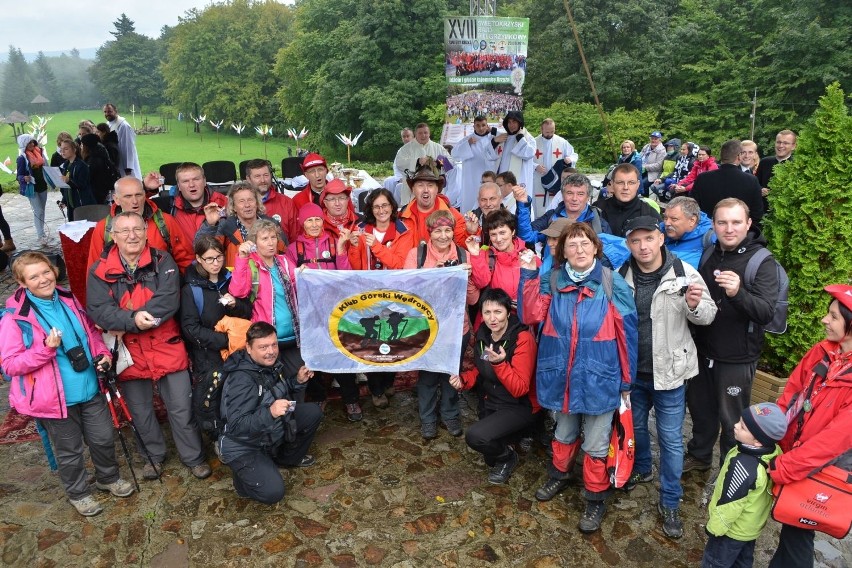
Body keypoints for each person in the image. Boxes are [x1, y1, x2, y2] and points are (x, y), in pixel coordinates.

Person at [518, 222, 637, 533]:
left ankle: (595, 497)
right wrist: (528, 275)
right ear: (563, 251)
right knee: (564, 431)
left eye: (585, 243)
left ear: (595, 247)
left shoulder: (612, 283)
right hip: (563, 376)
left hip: (600, 376)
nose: (579, 250)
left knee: (597, 443)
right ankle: (559, 475)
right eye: (572, 245)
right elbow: (529, 316)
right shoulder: (553, 280)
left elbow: (628, 335)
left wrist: (627, 380)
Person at [0, 252, 134, 517]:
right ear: (22, 282)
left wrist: (104, 355)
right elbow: (10, 365)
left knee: (103, 438)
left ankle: (108, 478)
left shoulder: (67, 298)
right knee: (69, 451)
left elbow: (90, 334)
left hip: (89, 386)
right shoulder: (15, 317)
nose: (43, 279)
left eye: (46, 272)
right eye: (34, 276)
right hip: (54, 399)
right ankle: (79, 493)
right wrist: (45, 350)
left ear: (54, 271)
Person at [87, 212, 211, 481]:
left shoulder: (162, 260)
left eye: (137, 229)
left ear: (146, 231)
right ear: (114, 236)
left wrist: (127, 318)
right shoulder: (99, 269)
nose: (132, 235)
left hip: (167, 345)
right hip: (128, 352)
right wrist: (134, 319)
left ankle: (194, 457)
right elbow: (98, 310)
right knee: (140, 411)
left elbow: (168, 302)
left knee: (181, 407)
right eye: (125, 231)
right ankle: (152, 456)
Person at [619, 216, 717, 539]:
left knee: (672, 440)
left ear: (660, 239)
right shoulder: (621, 275)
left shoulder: (683, 274)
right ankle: (643, 468)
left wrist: (694, 306)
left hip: (671, 374)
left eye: (648, 238)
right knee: (636, 430)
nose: (643, 246)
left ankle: (670, 500)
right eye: (635, 241)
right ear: (629, 245)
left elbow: (707, 315)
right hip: (634, 373)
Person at [685, 198, 780, 472]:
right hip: (702, 351)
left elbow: (765, 313)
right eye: (722, 222)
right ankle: (700, 456)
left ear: (748, 223)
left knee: (732, 421)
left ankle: (730, 468)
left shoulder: (761, 261)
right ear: (713, 225)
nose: (729, 229)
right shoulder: (708, 253)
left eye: (736, 222)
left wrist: (738, 293)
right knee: (701, 412)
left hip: (737, 357)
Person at [767, 284, 852, 568]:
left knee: (797, 532)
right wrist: (770, 429)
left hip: (821, 468)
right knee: (792, 528)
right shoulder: (823, 351)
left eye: (834, 317)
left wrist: (786, 467)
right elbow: (792, 393)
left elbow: (833, 441)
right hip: (796, 454)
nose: (825, 320)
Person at [218, 322, 323, 505]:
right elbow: (236, 426)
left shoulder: (270, 364)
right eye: (263, 347)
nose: (271, 351)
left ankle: (286, 459)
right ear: (249, 348)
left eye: (274, 345)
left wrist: (297, 381)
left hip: (266, 432)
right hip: (244, 445)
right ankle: (242, 479)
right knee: (273, 492)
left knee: (313, 412)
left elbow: (274, 391)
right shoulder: (241, 379)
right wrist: (270, 413)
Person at [449, 288, 540, 485]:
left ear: (508, 312)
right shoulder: (484, 335)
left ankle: (509, 456)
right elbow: (480, 370)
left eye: (498, 312)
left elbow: (520, 388)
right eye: (487, 312)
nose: (493, 318)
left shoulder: (522, 338)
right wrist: (463, 380)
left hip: (518, 406)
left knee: (475, 437)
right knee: (489, 458)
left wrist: (499, 364)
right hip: (491, 402)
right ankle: (509, 443)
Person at [404, 210, 480, 439]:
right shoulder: (417, 255)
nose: (444, 236)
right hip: (426, 329)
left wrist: (466, 278)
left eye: (448, 230)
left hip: (457, 328)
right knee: (427, 377)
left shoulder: (464, 255)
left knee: (450, 373)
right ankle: (427, 419)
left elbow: (474, 299)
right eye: (438, 231)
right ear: (429, 232)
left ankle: (450, 414)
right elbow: (406, 292)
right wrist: (434, 274)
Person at [702, 403, 786, 568]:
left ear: (757, 442)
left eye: (742, 427)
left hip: (731, 531)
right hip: (750, 529)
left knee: (714, 562)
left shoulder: (742, 466)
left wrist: (714, 528)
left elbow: (731, 503)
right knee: (742, 562)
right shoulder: (773, 452)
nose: (735, 426)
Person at [347, 189, 409, 407]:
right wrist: (355, 247)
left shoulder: (404, 231)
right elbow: (355, 266)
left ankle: (389, 379)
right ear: (370, 210)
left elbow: (399, 263)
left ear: (392, 207)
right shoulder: (361, 229)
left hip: (395, 296)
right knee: (372, 341)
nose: (381, 210)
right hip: (368, 297)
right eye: (376, 207)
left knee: (393, 338)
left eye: (385, 205)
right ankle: (376, 389)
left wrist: (376, 246)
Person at [180, 235, 252, 381]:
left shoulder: (231, 279)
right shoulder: (191, 289)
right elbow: (191, 329)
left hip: (239, 353)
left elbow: (249, 311)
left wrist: (236, 305)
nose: (216, 263)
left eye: (219, 257)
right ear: (199, 259)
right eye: (209, 259)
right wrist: (226, 340)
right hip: (208, 359)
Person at [87, 177, 194, 273]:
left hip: (163, 290)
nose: (135, 201)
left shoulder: (166, 221)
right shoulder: (104, 228)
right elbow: (94, 270)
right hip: (120, 292)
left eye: (138, 195)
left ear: (145, 195)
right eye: (128, 196)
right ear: (116, 199)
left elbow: (185, 261)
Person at [198, 181, 285, 268]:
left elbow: (284, 254)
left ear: (257, 203)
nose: (247, 205)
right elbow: (203, 250)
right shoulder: (225, 226)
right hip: (237, 278)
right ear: (234, 207)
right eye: (241, 201)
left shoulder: (272, 224)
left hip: (269, 278)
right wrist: (210, 225)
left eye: (250, 200)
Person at [468, 208, 538, 306]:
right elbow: (481, 283)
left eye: (502, 232)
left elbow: (542, 287)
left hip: (524, 317)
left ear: (512, 231)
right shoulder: (486, 255)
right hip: (495, 317)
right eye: (493, 234)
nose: (498, 239)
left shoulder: (528, 255)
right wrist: (475, 254)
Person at [397, 158, 469, 249]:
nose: (425, 190)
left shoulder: (453, 215)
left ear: (437, 190)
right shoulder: (402, 217)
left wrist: (470, 232)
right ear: (413, 189)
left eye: (430, 185)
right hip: (411, 262)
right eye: (420, 185)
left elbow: (464, 246)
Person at [691, 140, 764, 225]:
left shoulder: (703, 178)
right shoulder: (751, 180)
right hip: (738, 232)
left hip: (708, 230)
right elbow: (757, 214)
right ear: (739, 156)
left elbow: (693, 207)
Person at [161, 162, 228, 242]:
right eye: (185, 181)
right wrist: (146, 187)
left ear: (204, 181)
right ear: (178, 186)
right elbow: (143, 206)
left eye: (196, 179)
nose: (191, 184)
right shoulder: (169, 206)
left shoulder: (223, 202)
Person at [597, 163, 662, 237]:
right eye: (620, 182)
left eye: (631, 183)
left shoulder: (649, 213)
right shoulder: (598, 209)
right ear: (612, 184)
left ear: (638, 185)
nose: (625, 187)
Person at [244, 159, 299, 243]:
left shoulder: (287, 203)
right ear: (248, 179)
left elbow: (295, 239)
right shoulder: (240, 205)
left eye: (266, 175)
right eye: (257, 176)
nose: (262, 180)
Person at [451, 116, 498, 215]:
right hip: (471, 180)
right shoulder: (467, 140)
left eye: (483, 125)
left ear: (487, 126)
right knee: (471, 202)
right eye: (478, 125)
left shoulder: (493, 138)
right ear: (474, 126)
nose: (481, 128)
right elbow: (454, 154)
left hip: (490, 177)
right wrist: (467, 144)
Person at [493, 111, 536, 212]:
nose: (511, 125)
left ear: (520, 123)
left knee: (518, 206)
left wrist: (520, 138)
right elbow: (489, 155)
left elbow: (529, 153)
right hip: (503, 179)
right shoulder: (504, 137)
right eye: (509, 122)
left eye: (514, 122)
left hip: (520, 179)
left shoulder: (528, 138)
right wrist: (494, 142)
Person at [533, 118, 577, 213]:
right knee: (539, 206)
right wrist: (535, 166)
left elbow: (574, 155)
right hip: (539, 178)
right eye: (547, 132)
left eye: (552, 131)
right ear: (541, 130)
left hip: (556, 179)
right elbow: (527, 161)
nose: (550, 134)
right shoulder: (533, 142)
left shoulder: (562, 142)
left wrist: (570, 159)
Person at [16, 134, 51, 245]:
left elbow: (46, 166)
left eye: (33, 142)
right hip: (32, 187)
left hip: (42, 185)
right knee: (38, 210)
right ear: (24, 144)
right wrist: (23, 178)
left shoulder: (39, 152)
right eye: (29, 143)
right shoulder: (22, 159)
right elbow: (19, 175)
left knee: (42, 210)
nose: (32, 144)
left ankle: (42, 233)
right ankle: (40, 235)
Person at [663, 196, 714, 269]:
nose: (667, 223)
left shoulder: (710, 238)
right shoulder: (659, 231)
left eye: (674, 219)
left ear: (692, 221)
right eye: (665, 218)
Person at [756, 129, 796, 215]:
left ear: (793, 146)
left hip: (787, 213)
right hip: (763, 211)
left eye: (785, 143)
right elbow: (755, 183)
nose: (781, 145)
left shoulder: (797, 165)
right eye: (778, 142)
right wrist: (760, 189)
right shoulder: (765, 162)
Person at [57, 138, 96, 221]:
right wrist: (64, 201)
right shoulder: (66, 165)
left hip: (82, 204)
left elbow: (82, 184)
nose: (63, 152)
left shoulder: (81, 165)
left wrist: (69, 181)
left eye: (66, 149)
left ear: (74, 150)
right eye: (61, 149)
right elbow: (66, 187)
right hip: (71, 205)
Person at [103, 103, 141, 179]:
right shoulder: (108, 124)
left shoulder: (123, 126)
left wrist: (128, 168)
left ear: (115, 111)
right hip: (115, 160)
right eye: (105, 112)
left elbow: (128, 147)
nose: (107, 114)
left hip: (124, 163)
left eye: (110, 111)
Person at [79, 133, 118, 205]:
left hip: (96, 194)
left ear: (86, 146)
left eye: (82, 145)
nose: (80, 147)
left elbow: (87, 178)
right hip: (100, 192)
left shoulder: (93, 160)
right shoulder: (100, 155)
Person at [383, 128, 415, 197]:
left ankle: (398, 206)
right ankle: (388, 202)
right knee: (388, 181)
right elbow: (396, 166)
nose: (406, 138)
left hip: (414, 179)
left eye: (408, 136)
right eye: (404, 136)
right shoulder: (400, 151)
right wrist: (399, 178)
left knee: (400, 186)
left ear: (413, 137)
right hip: (401, 177)